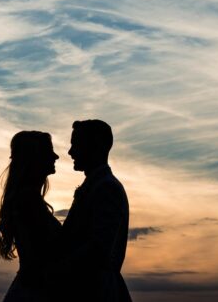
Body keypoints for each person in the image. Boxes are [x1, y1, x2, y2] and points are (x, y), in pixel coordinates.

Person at [58, 119, 132, 302]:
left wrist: (57, 268)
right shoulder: (97, 185)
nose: (70, 152)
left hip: (97, 292)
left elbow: (99, 249)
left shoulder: (107, 188)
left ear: (96, 146)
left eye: (76, 145)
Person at [0, 130, 62, 302]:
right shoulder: (27, 201)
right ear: (35, 157)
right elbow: (40, 257)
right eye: (49, 151)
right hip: (33, 293)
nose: (56, 156)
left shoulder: (28, 199)